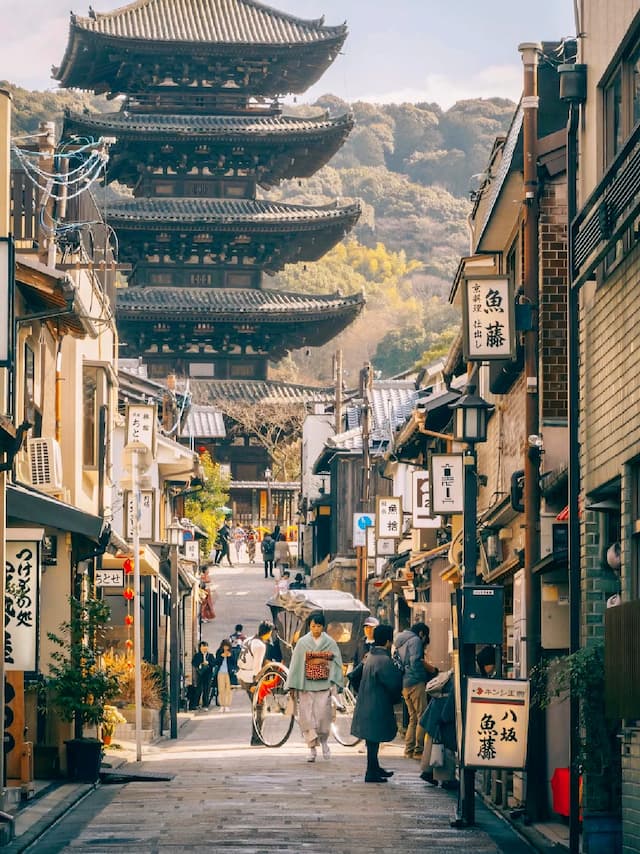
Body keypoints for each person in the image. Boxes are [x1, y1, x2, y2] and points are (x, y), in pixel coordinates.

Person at [284, 611, 344, 762]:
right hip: (305, 684)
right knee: (306, 717)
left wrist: (334, 678)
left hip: (323, 683)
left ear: (323, 627)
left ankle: (324, 742)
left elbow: (337, 662)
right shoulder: (303, 642)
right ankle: (311, 749)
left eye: (318, 626)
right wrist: (292, 685)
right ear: (309, 626)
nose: (315, 629)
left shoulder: (330, 642)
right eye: (313, 626)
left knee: (323, 716)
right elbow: (296, 664)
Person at [351, 623, 403, 783]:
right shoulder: (383, 659)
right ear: (389, 641)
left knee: (372, 740)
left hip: (367, 701)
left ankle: (373, 768)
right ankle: (371, 771)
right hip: (377, 704)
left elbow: (353, 676)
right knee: (373, 739)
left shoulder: (371, 656)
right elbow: (394, 683)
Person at [394, 621, 438, 759]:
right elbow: (416, 663)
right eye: (425, 636)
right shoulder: (415, 640)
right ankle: (419, 751)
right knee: (422, 716)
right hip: (415, 682)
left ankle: (409, 750)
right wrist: (425, 677)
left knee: (413, 718)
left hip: (404, 683)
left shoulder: (401, 640)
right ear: (421, 633)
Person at [237, 620, 274, 745]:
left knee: (256, 707)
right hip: (250, 678)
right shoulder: (260, 645)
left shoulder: (248, 639)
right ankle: (257, 738)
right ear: (268, 633)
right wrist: (255, 684)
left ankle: (256, 737)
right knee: (260, 708)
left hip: (242, 675)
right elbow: (257, 667)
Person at [191, 640, 216, 710]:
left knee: (206, 689)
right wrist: (199, 665)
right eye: (203, 646)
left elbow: (214, 663)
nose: (205, 648)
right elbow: (193, 662)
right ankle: (196, 704)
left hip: (208, 674)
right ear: (200, 647)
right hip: (200, 674)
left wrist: (208, 663)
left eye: (206, 646)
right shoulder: (197, 655)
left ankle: (205, 705)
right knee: (198, 689)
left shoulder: (210, 655)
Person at [215, 639, 236, 712]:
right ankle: (222, 705)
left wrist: (229, 656)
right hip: (220, 672)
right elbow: (216, 662)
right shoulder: (219, 651)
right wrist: (221, 656)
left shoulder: (232, 652)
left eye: (227, 646)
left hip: (229, 673)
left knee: (228, 689)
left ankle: (227, 705)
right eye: (224, 646)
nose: (225, 648)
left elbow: (235, 662)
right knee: (221, 689)